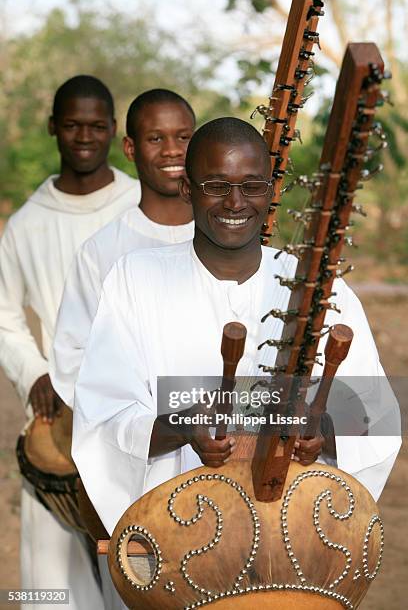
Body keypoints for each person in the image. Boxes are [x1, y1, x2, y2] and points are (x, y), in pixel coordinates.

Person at [72, 117, 401, 538]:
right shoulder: (134, 279)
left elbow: (381, 415)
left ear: (271, 191)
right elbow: (104, 415)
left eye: (251, 186)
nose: (235, 202)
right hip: (177, 536)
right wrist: (181, 427)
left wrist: (324, 432)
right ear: (188, 189)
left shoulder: (322, 288)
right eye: (216, 185)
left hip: (294, 534)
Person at [0, 75, 140, 609]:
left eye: (97, 125)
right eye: (73, 125)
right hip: (57, 413)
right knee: (52, 585)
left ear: (113, 131)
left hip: (130, 411)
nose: (85, 136)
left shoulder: (139, 206)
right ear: (53, 128)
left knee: (138, 569)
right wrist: (34, 371)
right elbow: (5, 317)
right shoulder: (26, 225)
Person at [50, 89, 195, 408]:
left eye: (183, 137)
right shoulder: (100, 252)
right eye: (156, 139)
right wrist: (145, 422)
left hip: (230, 440)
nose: (172, 151)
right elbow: (71, 360)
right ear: (130, 148)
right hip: (142, 445)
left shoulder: (228, 237)